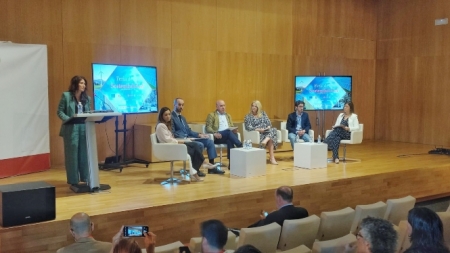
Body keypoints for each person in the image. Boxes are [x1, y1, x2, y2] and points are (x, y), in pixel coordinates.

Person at [156, 107, 217, 182]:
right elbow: (167, 140)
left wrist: (182, 141)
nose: (168, 116)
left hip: (173, 145)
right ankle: (201, 166)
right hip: (169, 148)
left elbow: (172, 137)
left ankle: (202, 165)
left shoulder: (166, 125)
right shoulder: (161, 126)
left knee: (195, 145)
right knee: (194, 147)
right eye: (166, 115)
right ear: (161, 116)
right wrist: (179, 141)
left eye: (169, 114)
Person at [57, 76, 91, 186]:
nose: (84, 85)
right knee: (72, 156)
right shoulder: (66, 96)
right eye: (81, 83)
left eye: (84, 83)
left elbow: (89, 113)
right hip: (71, 128)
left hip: (84, 128)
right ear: (75, 84)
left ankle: (85, 177)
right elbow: (60, 111)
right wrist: (69, 119)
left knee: (84, 155)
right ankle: (73, 180)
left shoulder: (87, 98)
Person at [172, 98, 219, 176]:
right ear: (174, 105)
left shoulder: (182, 118)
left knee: (209, 142)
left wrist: (199, 135)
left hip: (189, 137)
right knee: (199, 145)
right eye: (179, 104)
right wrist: (185, 137)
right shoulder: (171, 117)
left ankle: (212, 167)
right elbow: (173, 132)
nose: (181, 107)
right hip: (182, 140)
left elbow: (189, 130)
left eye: (182, 105)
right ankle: (196, 170)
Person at [205, 100, 243, 170]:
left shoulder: (228, 115)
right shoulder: (211, 115)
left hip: (227, 135)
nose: (223, 107)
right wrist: (214, 133)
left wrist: (234, 129)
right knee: (228, 132)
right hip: (218, 136)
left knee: (230, 140)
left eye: (224, 105)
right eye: (221, 106)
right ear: (217, 107)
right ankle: (240, 145)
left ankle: (231, 164)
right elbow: (208, 127)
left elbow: (231, 126)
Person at [244, 100, 279, 165]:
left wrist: (267, 128)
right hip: (257, 134)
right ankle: (272, 158)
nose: (253, 107)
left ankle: (266, 142)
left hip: (266, 132)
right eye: (252, 106)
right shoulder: (248, 116)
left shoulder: (263, 113)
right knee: (271, 138)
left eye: (255, 106)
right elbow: (248, 127)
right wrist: (258, 129)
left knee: (273, 129)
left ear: (258, 107)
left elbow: (269, 123)